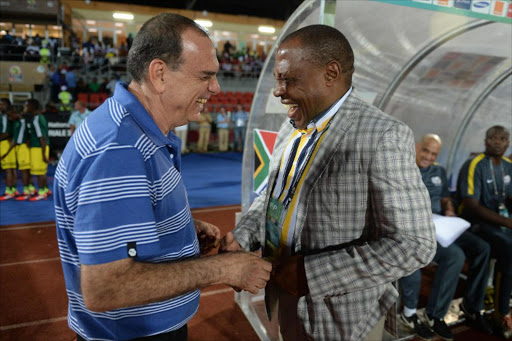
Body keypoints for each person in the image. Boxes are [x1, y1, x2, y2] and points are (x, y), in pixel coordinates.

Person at [53, 13, 272, 340]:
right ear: (159, 74)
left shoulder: (136, 132)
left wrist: (178, 229)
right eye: (205, 75)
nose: (215, 87)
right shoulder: (118, 150)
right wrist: (223, 269)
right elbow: (106, 288)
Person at [220, 25, 436, 341]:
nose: (278, 90)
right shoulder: (290, 126)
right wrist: (244, 235)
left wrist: (310, 275)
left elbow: (415, 244)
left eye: (287, 79)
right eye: (277, 80)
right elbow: (272, 196)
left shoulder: (381, 136)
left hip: (341, 321)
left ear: (330, 73)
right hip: (285, 300)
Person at [399, 134, 492, 340]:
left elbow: (444, 197)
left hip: (441, 223)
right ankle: (422, 314)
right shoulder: (403, 169)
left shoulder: (439, 171)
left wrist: (448, 208)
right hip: (416, 226)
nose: (429, 157)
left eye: (434, 154)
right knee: (454, 255)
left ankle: (455, 310)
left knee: (480, 248)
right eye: (425, 151)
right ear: (416, 147)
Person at [456, 125, 512, 339]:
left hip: (498, 223)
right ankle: (500, 314)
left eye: (503, 138)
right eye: (493, 138)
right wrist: (507, 222)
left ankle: (503, 304)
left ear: (508, 143)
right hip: (474, 223)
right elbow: (471, 204)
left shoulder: (508, 166)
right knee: (507, 248)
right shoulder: (474, 164)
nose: (497, 142)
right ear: (486, 141)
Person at [23, 99, 51, 201]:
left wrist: (43, 155)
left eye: (27, 105)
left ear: (32, 107)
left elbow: (42, 138)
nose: (26, 107)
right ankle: (45, 190)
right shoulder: (37, 118)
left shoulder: (37, 119)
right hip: (38, 147)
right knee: (42, 172)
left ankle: (41, 192)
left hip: (39, 148)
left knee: (40, 173)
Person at [0, 99, 18, 200]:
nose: (0, 106)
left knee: (8, 170)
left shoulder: (5, 117)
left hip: (6, 144)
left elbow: (5, 133)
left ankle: (8, 191)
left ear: (7, 105)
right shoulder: (6, 117)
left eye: (2, 104)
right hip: (9, 143)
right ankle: (13, 190)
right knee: (11, 169)